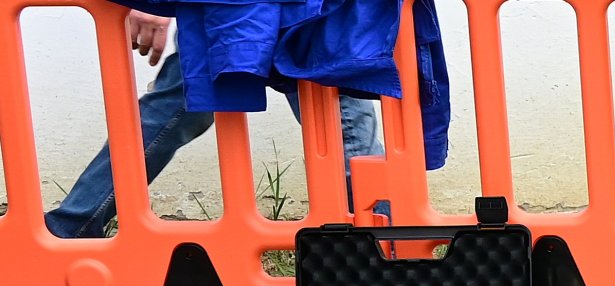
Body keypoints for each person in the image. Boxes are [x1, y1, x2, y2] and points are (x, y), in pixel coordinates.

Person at [45, 10, 383, 239]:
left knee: (341, 121)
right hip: (229, 9)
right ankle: (389, 243)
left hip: (282, 11)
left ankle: (388, 242)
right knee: (176, 107)